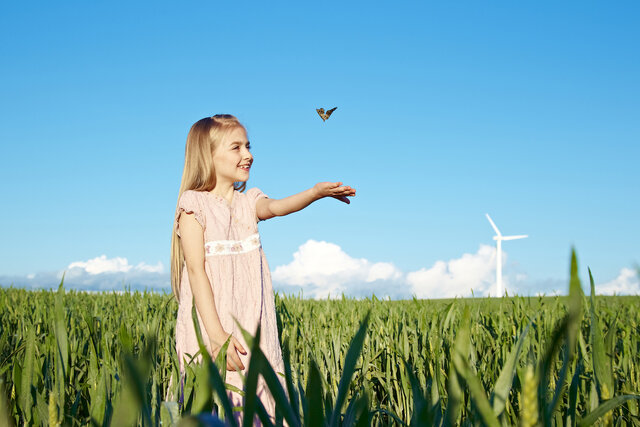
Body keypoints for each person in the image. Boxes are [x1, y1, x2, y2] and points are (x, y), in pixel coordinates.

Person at [169, 114, 356, 423]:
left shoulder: (249, 201)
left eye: (248, 146)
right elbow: (196, 272)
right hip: (212, 326)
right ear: (208, 155)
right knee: (215, 402)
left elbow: (276, 207)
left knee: (259, 401)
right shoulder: (194, 204)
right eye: (236, 147)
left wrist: (314, 193)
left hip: (253, 326)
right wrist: (217, 336)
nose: (248, 154)